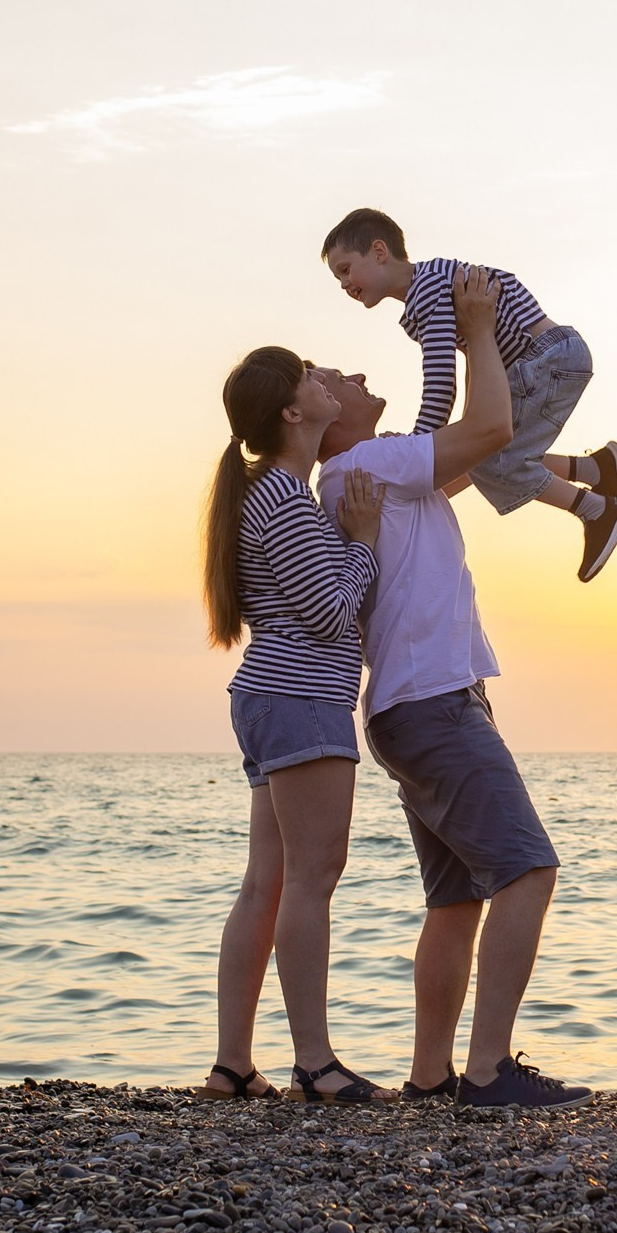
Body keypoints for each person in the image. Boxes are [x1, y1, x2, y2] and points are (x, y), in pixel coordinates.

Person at [311, 267, 595, 1109]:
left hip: (417, 704)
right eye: (333, 378)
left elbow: (493, 453)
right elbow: (493, 422)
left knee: (457, 895)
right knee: (527, 870)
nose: (355, 376)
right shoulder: (368, 461)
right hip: (434, 703)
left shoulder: (381, 470)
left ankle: (432, 1075)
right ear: (321, 420)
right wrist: (475, 325)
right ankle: (488, 1071)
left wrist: (566, 474)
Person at [198, 346, 394, 1104]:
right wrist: (366, 539)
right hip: (301, 697)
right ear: (292, 410)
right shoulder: (281, 497)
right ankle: (313, 1062)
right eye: (310, 376)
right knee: (312, 879)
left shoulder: (272, 495)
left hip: (272, 696)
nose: (324, 381)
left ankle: (233, 1066)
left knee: (268, 883)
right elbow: (331, 611)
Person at [320, 206, 617, 584]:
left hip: (543, 358)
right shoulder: (429, 289)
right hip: (545, 355)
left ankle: (597, 510)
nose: (344, 284)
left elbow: (440, 382)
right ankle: (596, 468)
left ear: (378, 251)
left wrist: (420, 446)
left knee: (490, 462)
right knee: (486, 455)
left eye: (345, 269)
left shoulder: (427, 291)